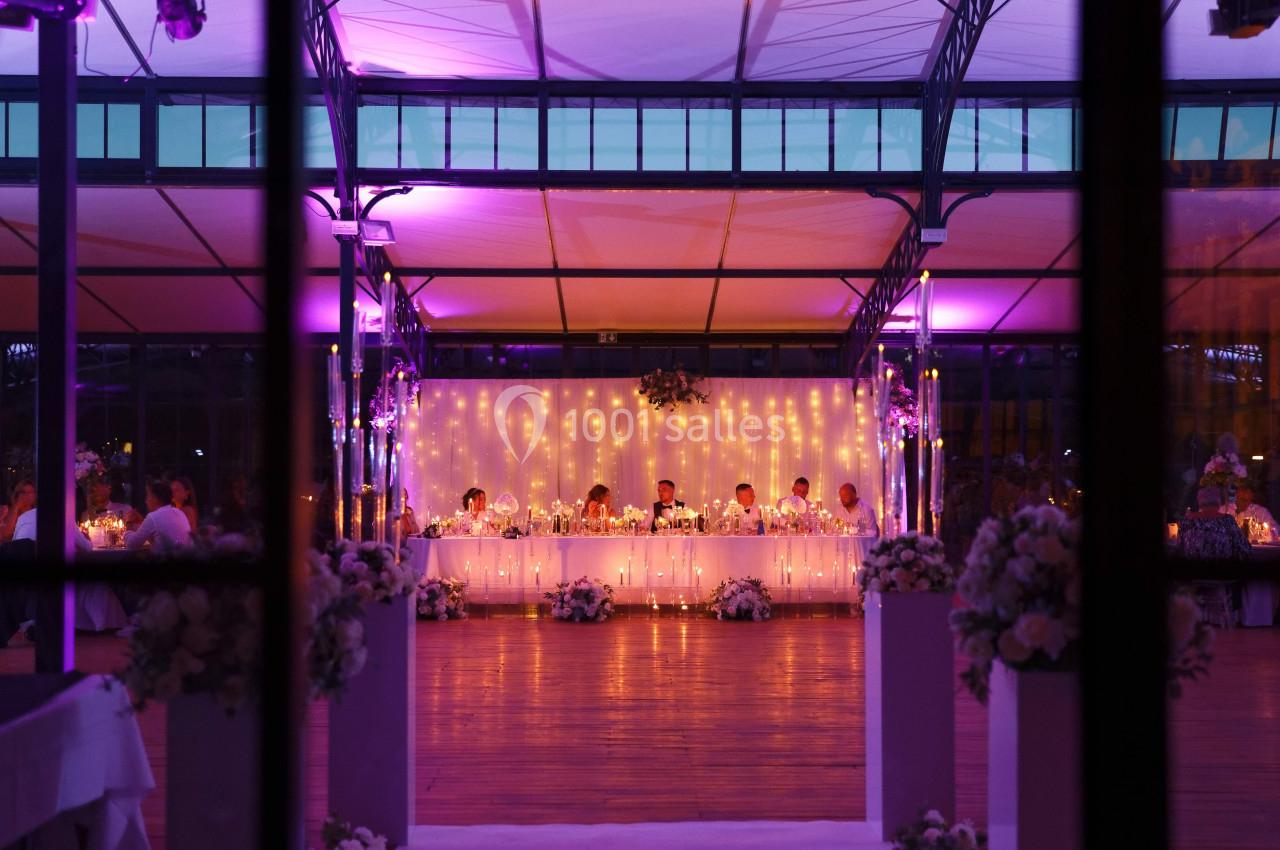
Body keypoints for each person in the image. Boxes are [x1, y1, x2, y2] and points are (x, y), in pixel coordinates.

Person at [1178, 487, 1250, 560]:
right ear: (1219, 503)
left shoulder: (1187, 521)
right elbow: (1244, 548)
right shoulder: (1227, 520)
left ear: (1199, 502)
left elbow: (1180, 549)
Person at [125, 480, 192, 550]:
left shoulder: (153, 517)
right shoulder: (179, 513)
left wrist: (129, 523)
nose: (146, 501)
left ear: (155, 498)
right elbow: (158, 537)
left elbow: (131, 544)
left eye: (148, 496)